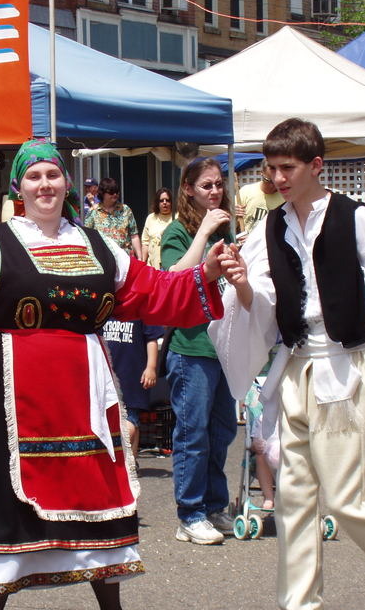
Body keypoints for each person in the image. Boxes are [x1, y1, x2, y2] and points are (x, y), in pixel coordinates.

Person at [0, 138, 226, 609]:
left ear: (67, 183)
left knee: (93, 488)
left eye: (53, 175)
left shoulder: (97, 244)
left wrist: (206, 273)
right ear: (18, 187)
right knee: (8, 498)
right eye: (34, 176)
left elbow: (152, 290)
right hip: (12, 395)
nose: (45, 185)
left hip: (85, 391)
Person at [208, 118, 365, 610]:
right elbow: (262, 303)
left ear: (316, 166)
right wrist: (241, 284)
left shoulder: (355, 218)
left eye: (287, 167)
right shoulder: (271, 227)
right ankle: (299, 603)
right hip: (295, 369)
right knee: (294, 500)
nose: (278, 177)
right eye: (271, 168)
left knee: (354, 503)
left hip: (350, 367)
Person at [159, 158, 237, 545]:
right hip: (191, 347)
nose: (215, 191)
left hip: (225, 346)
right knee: (193, 434)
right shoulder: (177, 231)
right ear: (188, 189)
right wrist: (204, 230)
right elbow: (173, 278)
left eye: (219, 184)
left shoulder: (227, 228)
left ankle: (214, 505)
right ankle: (189, 514)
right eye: (206, 185)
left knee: (221, 433)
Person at [100, 317, 162, 458]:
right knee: (127, 424)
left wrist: (151, 367)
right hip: (106, 377)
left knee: (129, 424)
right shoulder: (103, 308)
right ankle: (131, 463)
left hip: (132, 380)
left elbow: (151, 338)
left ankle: (124, 462)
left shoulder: (138, 309)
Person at [85, 178, 142, 259]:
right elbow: (87, 236)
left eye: (117, 191)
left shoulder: (126, 210)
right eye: (111, 192)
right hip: (103, 258)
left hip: (125, 258)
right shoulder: (93, 211)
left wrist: (140, 257)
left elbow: (134, 235)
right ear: (102, 193)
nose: (115, 194)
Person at [235, 159, 283, 240]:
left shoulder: (285, 199)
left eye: (276, 181)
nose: (273, 186)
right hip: (245, 245)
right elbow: (229, 225)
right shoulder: (246, 192)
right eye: (268, 180)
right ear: (261, 173)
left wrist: (253, 239)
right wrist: (233, 214)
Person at [140, 188, 174, 269]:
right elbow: (145, 242)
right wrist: (143, 263)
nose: (164, 202)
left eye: (167, 200)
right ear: (157, 203)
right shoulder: (150, 218)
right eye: (161, 201)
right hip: (153, 266)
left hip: (171, 266)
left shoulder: (177, 217)